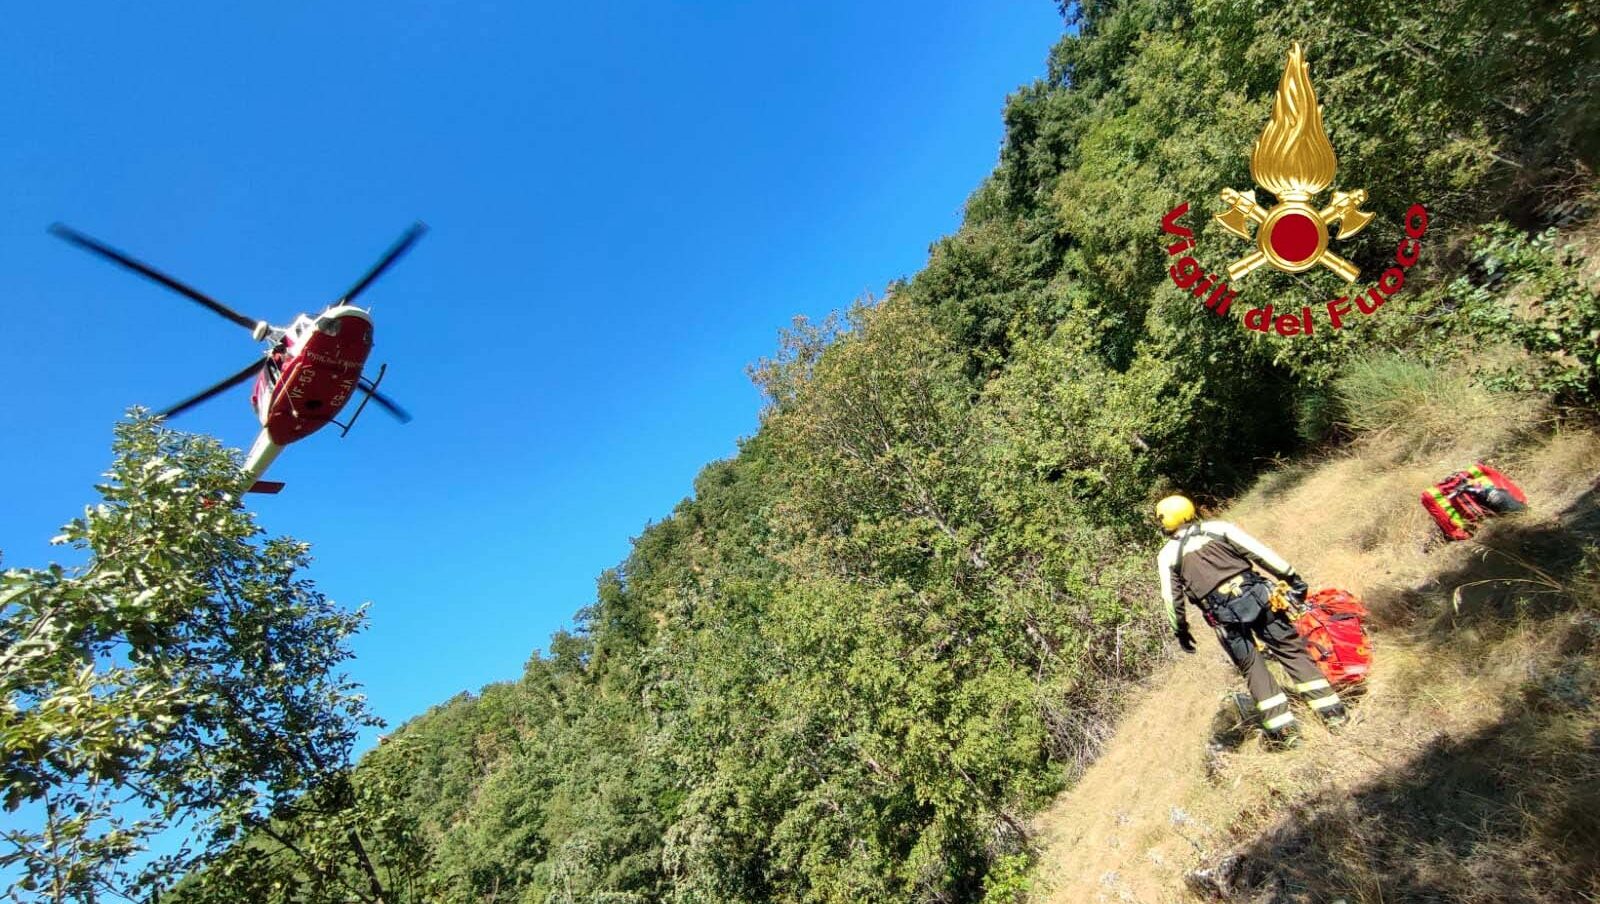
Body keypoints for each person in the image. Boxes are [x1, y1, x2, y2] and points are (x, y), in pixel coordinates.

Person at [1155, 495, 1347, 745]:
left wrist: (1180, 630)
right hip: (1259, 597)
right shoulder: (1219, 529)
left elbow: (1171, 599)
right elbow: (1261, 554)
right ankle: (1333, 715)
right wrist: (1292, 578)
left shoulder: (1168, 555)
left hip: (1223, 617)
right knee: (1290, 650)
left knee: (1252, 667)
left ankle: (1286, 733)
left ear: (1167, 520)